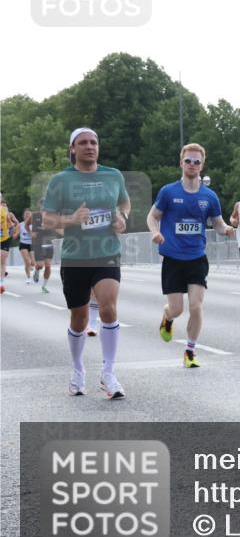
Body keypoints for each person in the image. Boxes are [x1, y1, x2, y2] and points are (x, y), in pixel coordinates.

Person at [42, 128, 131, 399]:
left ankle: (109, 373)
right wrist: (71, 220)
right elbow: (47, 218)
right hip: (75, 256)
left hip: (106, 252)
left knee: (108, 307)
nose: (90, 147)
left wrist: (122, 218)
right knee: (79, 318)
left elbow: (124, 203)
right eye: (83, 143)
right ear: (73, 149)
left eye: (94, 142)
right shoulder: (61, 181)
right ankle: (78, 369)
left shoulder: (113, 175)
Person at [147, 143, 235, 368]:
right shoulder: (168, 192)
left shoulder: (209, 196)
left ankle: (190, 351)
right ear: (181, 162)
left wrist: (225, 230)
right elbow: (152, 216)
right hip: (173, 259)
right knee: (177, 309)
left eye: (197, 162)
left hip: (196, 257)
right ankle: (167, 318)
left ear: (202, 165)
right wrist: (156, 232)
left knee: (196, 306)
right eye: (188, 161)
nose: (192, 165)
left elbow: (216, 222)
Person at [32, 199, 57, 293]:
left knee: (48, 266)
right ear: (40, 205)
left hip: (49, 243)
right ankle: (37, 270)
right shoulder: (35, 216)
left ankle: (44, 286)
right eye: (42, 204)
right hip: (39, 243)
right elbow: (32, 228)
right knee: (40, 265)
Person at [0, 195, 18, 295]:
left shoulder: (7, 212)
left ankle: (1, 284)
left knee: (2, 260)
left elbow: (13, 223)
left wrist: (12, 229)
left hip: (5, 237)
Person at [18, 209, 36, 283]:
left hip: (32, 244)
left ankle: (32, 266)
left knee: (33, 262)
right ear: (23, 216)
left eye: (29, 214)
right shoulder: (20, 224)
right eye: (26, 214)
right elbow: (15, 233)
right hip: (23, 244)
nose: (27, 215)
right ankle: (28, 277)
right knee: (27, 261)